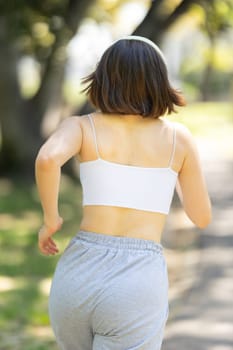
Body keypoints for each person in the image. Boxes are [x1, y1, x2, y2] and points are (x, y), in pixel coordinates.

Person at [35, 36, 211, 350]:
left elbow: (48, 160)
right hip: (137, 281)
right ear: (160, 82)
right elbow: (201, 217)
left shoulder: (81, 127)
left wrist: (50, 220)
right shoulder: (178, 140)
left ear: (102, 79)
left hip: (78, 274)